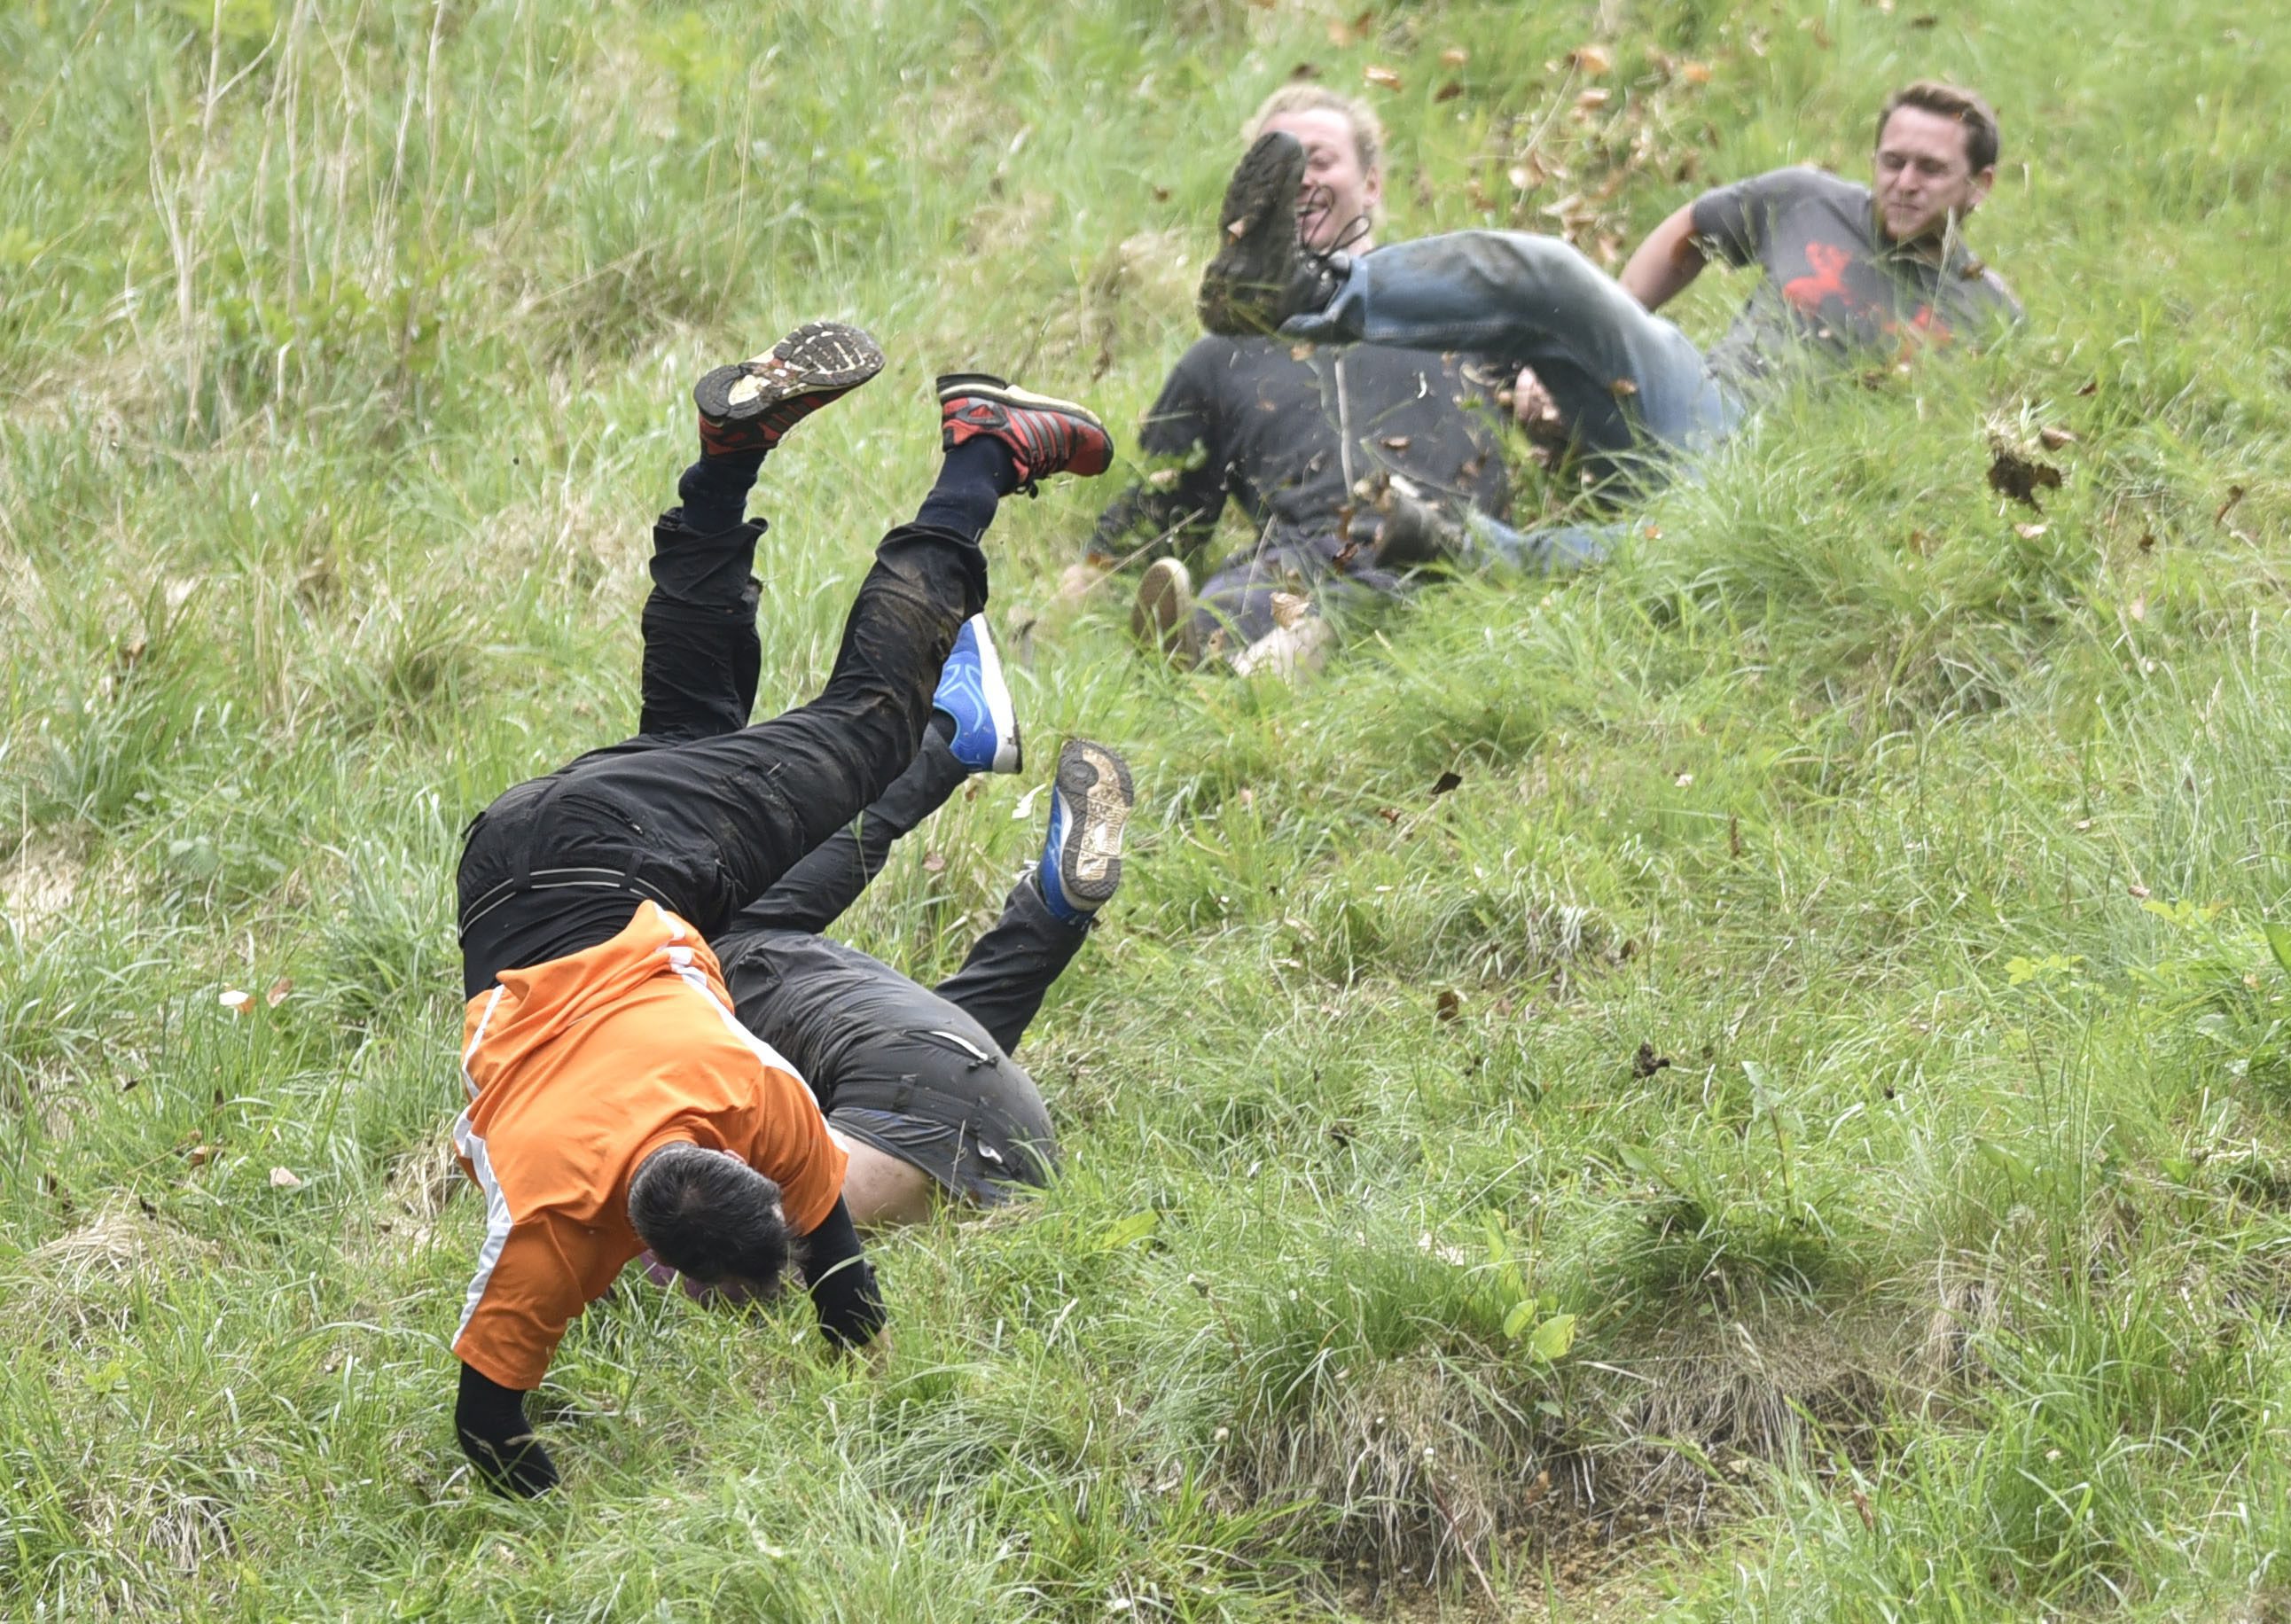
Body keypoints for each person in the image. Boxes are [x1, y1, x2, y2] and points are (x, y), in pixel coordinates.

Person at [447, 320, 1112, 1495]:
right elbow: (491, 1424)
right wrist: (868, 1389)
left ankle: (929, 468)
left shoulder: (742, 1091)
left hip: (614, 859)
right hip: (502, 877)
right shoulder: (710, 1116)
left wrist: (560, 1517)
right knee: (733, 737)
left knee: (863, 731)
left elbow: (493, 1434)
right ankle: (972, 454)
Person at [1198, 80, 2022, 555]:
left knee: (1672, 552)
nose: (1905, 181)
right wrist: (1609, 348)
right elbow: (1689, 232)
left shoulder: (1990, 318)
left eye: (1931, 169)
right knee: (1550, 273)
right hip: (1698, 401)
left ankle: (1470, 548)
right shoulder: (1809, 200)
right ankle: (1307, 295)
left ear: (1979, 188)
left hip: (1796, 495)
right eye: (1892, 159)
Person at [638, 615, 1135, 1259]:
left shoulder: (673, 993)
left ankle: (967, 768)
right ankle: (957, 754)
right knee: (747, 925)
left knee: (722, 939)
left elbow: (687, 1257)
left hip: (949, 1121)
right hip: (998, 1112)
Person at [1070, 87, 1583, 680]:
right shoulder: (1220, 356)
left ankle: (1269, 668)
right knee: (1227, 605)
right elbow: (1163, 505)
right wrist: (1081, 585)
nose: (1301, 181)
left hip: (1452, 546)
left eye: (1320, 161)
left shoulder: (1454, 305)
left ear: (1371, 184)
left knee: (1385, 587)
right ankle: (1230, 671)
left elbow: (1588, 442)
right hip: (1300, 559)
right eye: (1281, 168)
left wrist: (1556, 412)